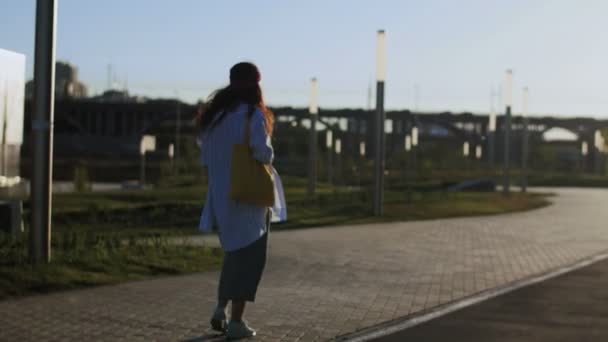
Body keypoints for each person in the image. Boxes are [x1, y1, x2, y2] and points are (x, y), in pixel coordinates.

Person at [196, 62, 276, 339]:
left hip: (220, 196)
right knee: (250, 258)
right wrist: (270, 151)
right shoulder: (251, 115)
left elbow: (205, 158)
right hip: (249, 197)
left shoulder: (214, 118)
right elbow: (262, 153)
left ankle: (221, 309)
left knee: (233, 255)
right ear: (256, 85)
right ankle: (236, 323)